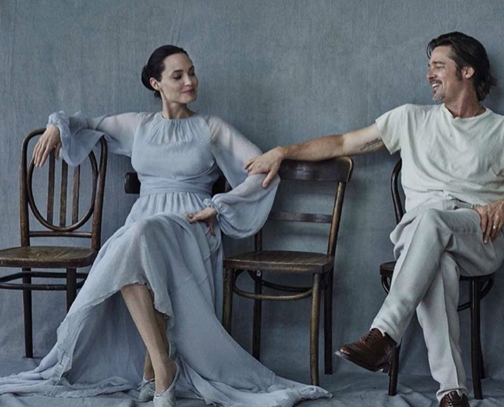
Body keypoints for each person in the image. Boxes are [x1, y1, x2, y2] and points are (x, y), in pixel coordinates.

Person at [0, 45, 330, 407]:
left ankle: (157, 368)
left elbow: (263, 169)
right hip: (146, 219)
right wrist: (55, 125)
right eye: (178, 75)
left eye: (192, 72)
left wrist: (219, 206)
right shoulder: (139, 126)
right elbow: (85, 123)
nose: (190, 81)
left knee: (134, 239)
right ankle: (160, 365)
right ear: (156, 83)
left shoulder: (211, 128)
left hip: (191, 224)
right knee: (133, 245)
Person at [245, 32, 504, 407]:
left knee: (432, 221)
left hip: (479, 235)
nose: (429, 74)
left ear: (467, 71)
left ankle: (384, 334)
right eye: (429, 66)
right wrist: (283, 151)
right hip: (421, 239)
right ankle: (452, 393)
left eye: (438, 66)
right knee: (438, 262)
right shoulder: (411, 118)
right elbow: (343, 143)